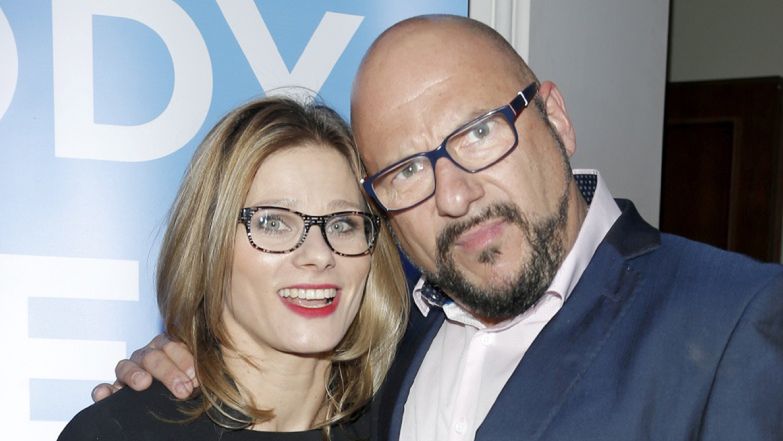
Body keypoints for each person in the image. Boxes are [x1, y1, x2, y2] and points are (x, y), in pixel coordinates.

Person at [94, 15, 783, 441]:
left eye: (478, 132)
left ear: (555, 117)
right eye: (405, 170)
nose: (454, 195)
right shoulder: (394, 348)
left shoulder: (733, 318)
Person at [60, 96, 408, 440]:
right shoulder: (119, 432)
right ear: (210, 244)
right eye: (273, 223)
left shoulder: (406, 422)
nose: (318, 254)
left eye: (343, 224)